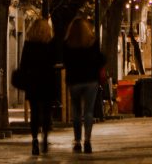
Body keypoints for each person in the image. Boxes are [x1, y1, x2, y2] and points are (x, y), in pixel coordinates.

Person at [62, 17, 106, 154]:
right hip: (90, 80)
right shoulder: (92, 42)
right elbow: (101, 59)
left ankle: (77, 141)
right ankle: (87, 140)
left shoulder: (68, 43)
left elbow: (65, 61)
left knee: (76, 112)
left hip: (74, 80)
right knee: (88, 111)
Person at [17, 16, 59, 156]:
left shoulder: (28, 45)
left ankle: (34, 139)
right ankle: (45, 137)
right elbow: (55, 61)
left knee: (35, 112)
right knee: (47, 111)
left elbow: (23, 65)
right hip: (47, 81)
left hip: (33, 82)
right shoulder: (50, 45)